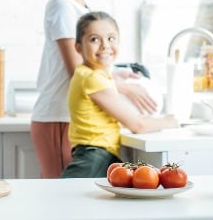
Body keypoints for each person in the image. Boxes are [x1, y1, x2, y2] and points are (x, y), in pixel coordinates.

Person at [30, 0, 159, 179]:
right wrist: (122, 87)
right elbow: (76, 69)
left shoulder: (81, 8)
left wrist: (114, 72)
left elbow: (88, 66)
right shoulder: (62, 5)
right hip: (57, 116)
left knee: (69, 203)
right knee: (61, 204)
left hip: (69, 117)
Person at [60, 11, 179, 178]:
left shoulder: (87, 74)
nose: (105, 46)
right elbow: (138, 126)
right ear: (78, 47)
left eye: (111, 38)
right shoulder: (93, 79)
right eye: (94, 39)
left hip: (92, 154)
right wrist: (168, 121)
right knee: (65, 201)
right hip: (94, 156)